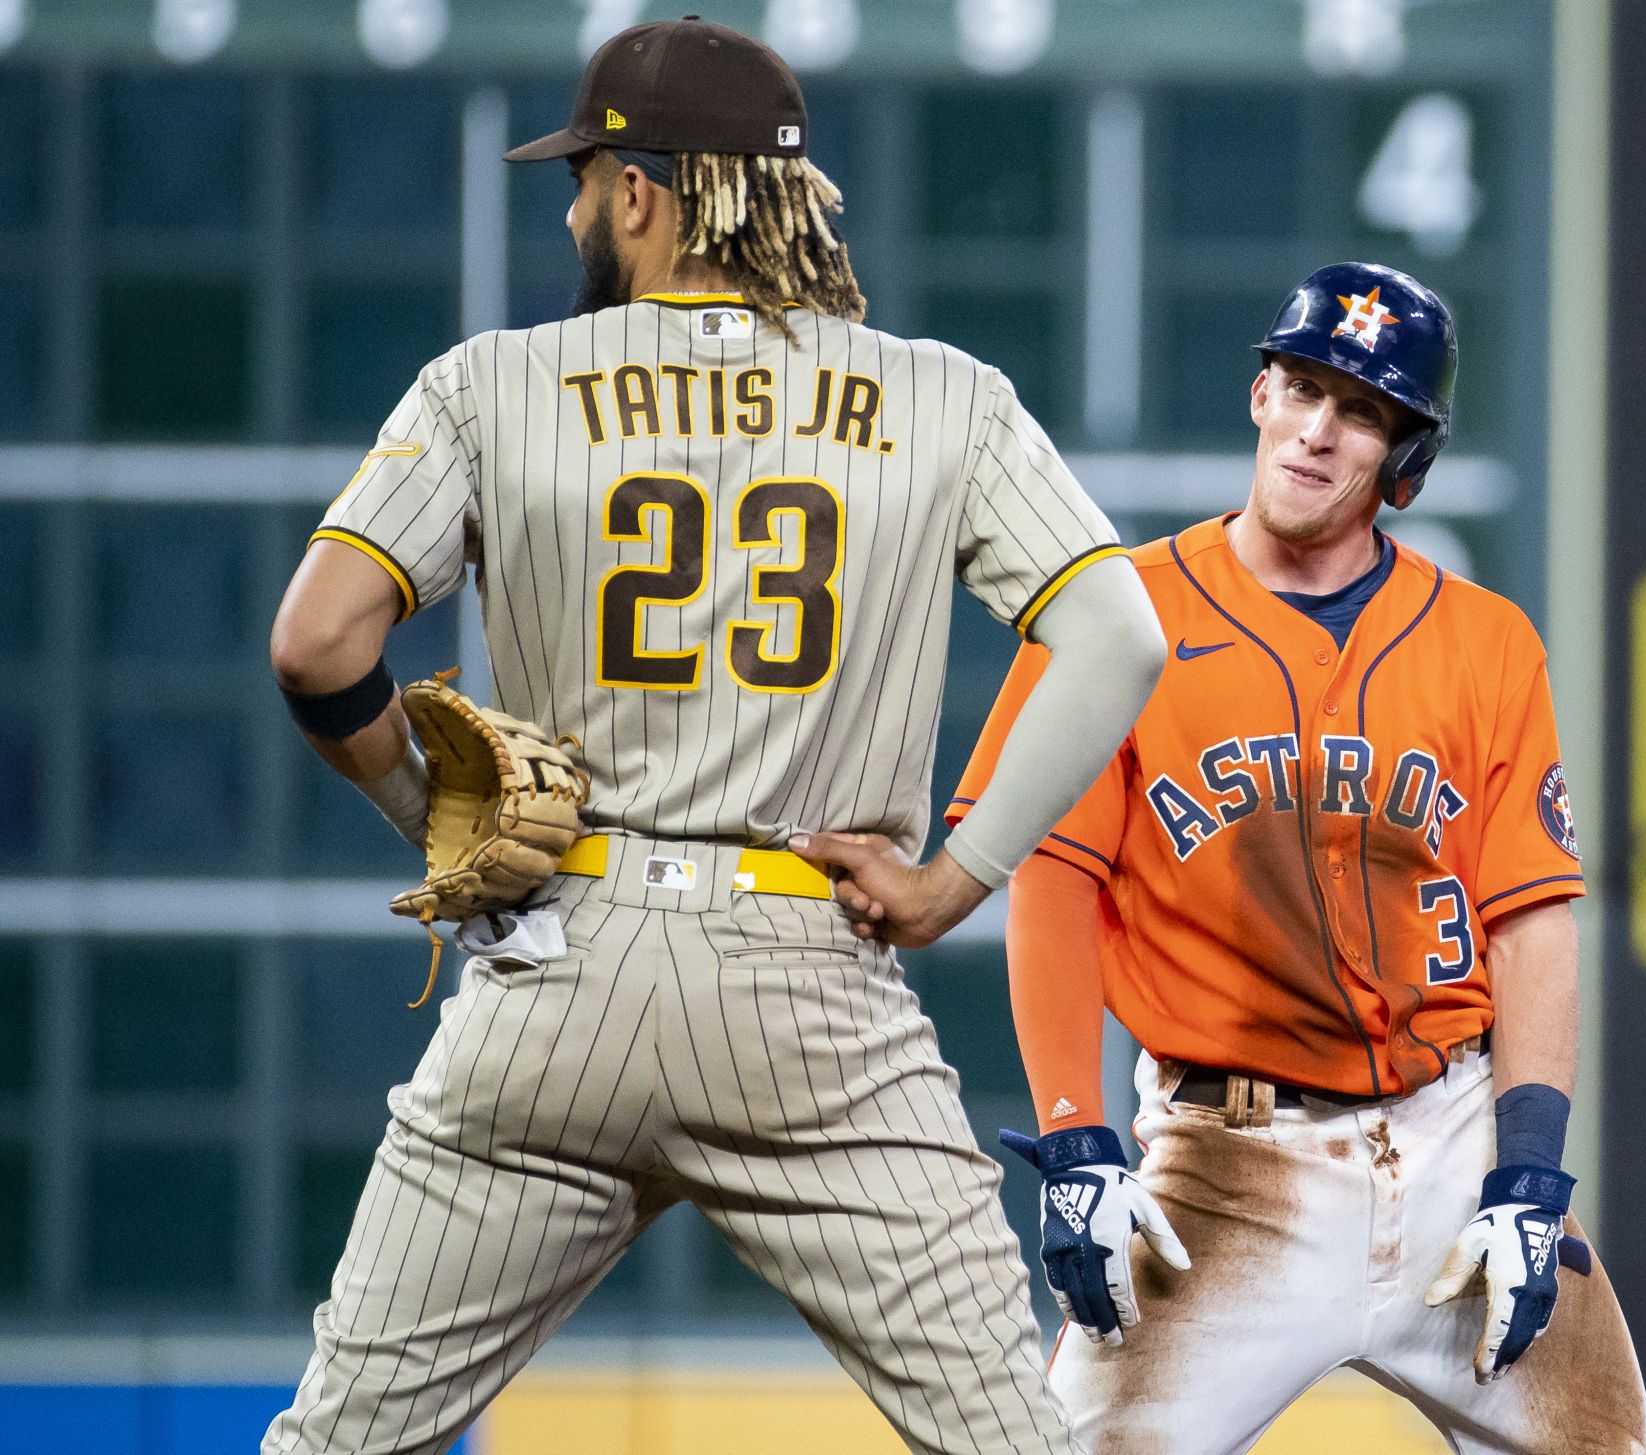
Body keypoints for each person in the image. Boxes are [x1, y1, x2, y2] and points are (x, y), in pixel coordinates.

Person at [261, 19, 1164, 1455]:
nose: (572, 208)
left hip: (560, 968)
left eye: (583, 179)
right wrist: (958, 874)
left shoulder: (491, 381)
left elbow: (317, 641)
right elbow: (1120, 635)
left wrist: (435, 810)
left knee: (338, 1441)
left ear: (640, 192)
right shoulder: (944, 394)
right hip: (809, 990)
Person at [948, 263, 1646, 1454]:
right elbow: (1053, 876)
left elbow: (1530, 918)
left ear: (1403, 458)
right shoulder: (1123, 619)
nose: (1320, 430)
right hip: (1230, 1168)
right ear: (1260, 395)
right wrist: (1074, 1135)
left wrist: (1528, 1173)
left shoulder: (1485, 642)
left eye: (1363, 410)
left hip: (1451, 1144)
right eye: (1302, 387)